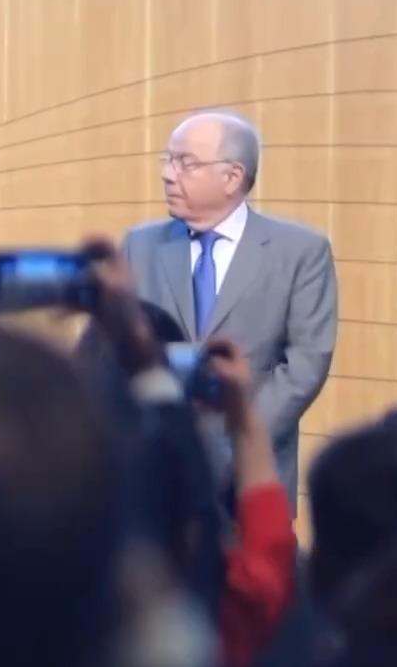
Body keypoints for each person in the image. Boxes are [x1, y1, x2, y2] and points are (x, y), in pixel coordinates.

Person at [118, 111, 336, 501]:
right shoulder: (140, 245)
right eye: (168, 160)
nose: (168, 174)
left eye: (185, 163)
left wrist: (238, 442)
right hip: (155, 476)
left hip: (253, 477)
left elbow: (306, 364)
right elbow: (115, 351)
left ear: (232, 177)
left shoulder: (301, 251)